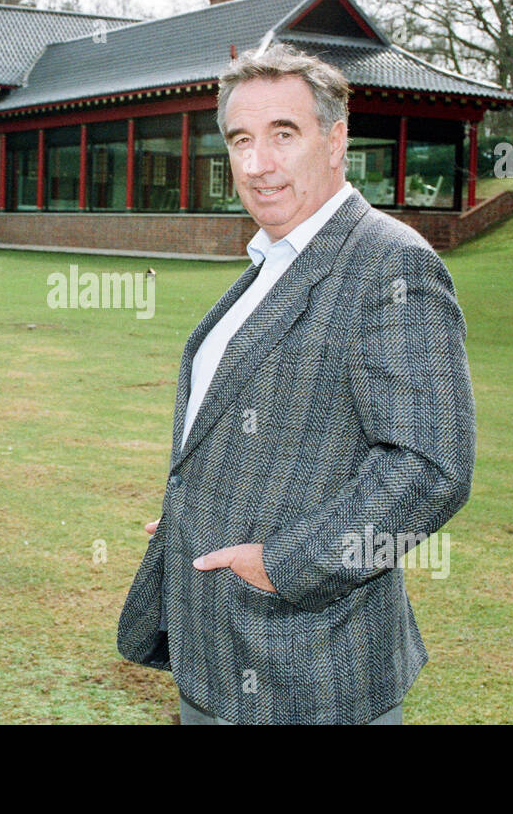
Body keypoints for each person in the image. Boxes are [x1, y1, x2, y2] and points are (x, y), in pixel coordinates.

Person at [116, 43, 476, 725]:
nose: (257, 164)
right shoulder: (273, 258)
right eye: (241, 140)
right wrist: (198, 510)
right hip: (217, 652)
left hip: (306, 670)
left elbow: (431, 467)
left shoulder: (389, 262)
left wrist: (285, 563)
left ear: (337, 140)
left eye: (284, 134)